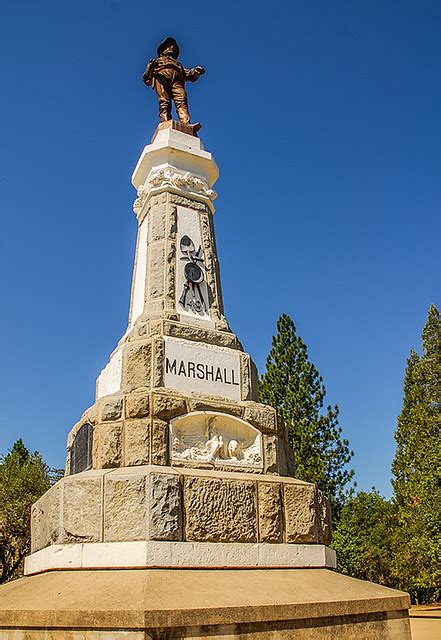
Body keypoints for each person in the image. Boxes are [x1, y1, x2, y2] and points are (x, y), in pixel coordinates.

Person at [143, 37, 205, 130]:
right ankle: (165, 121)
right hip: (162, 78)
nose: (172, 48)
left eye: (173, 46)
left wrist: (196, 71)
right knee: (164, 102)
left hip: (177, 81)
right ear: (163, 50)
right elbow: (147, 80)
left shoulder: (178, 64)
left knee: (182, 100)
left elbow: (188, 74)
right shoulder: (157, 62)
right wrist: (149, 68)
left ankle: (186, 124)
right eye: (169, 46)